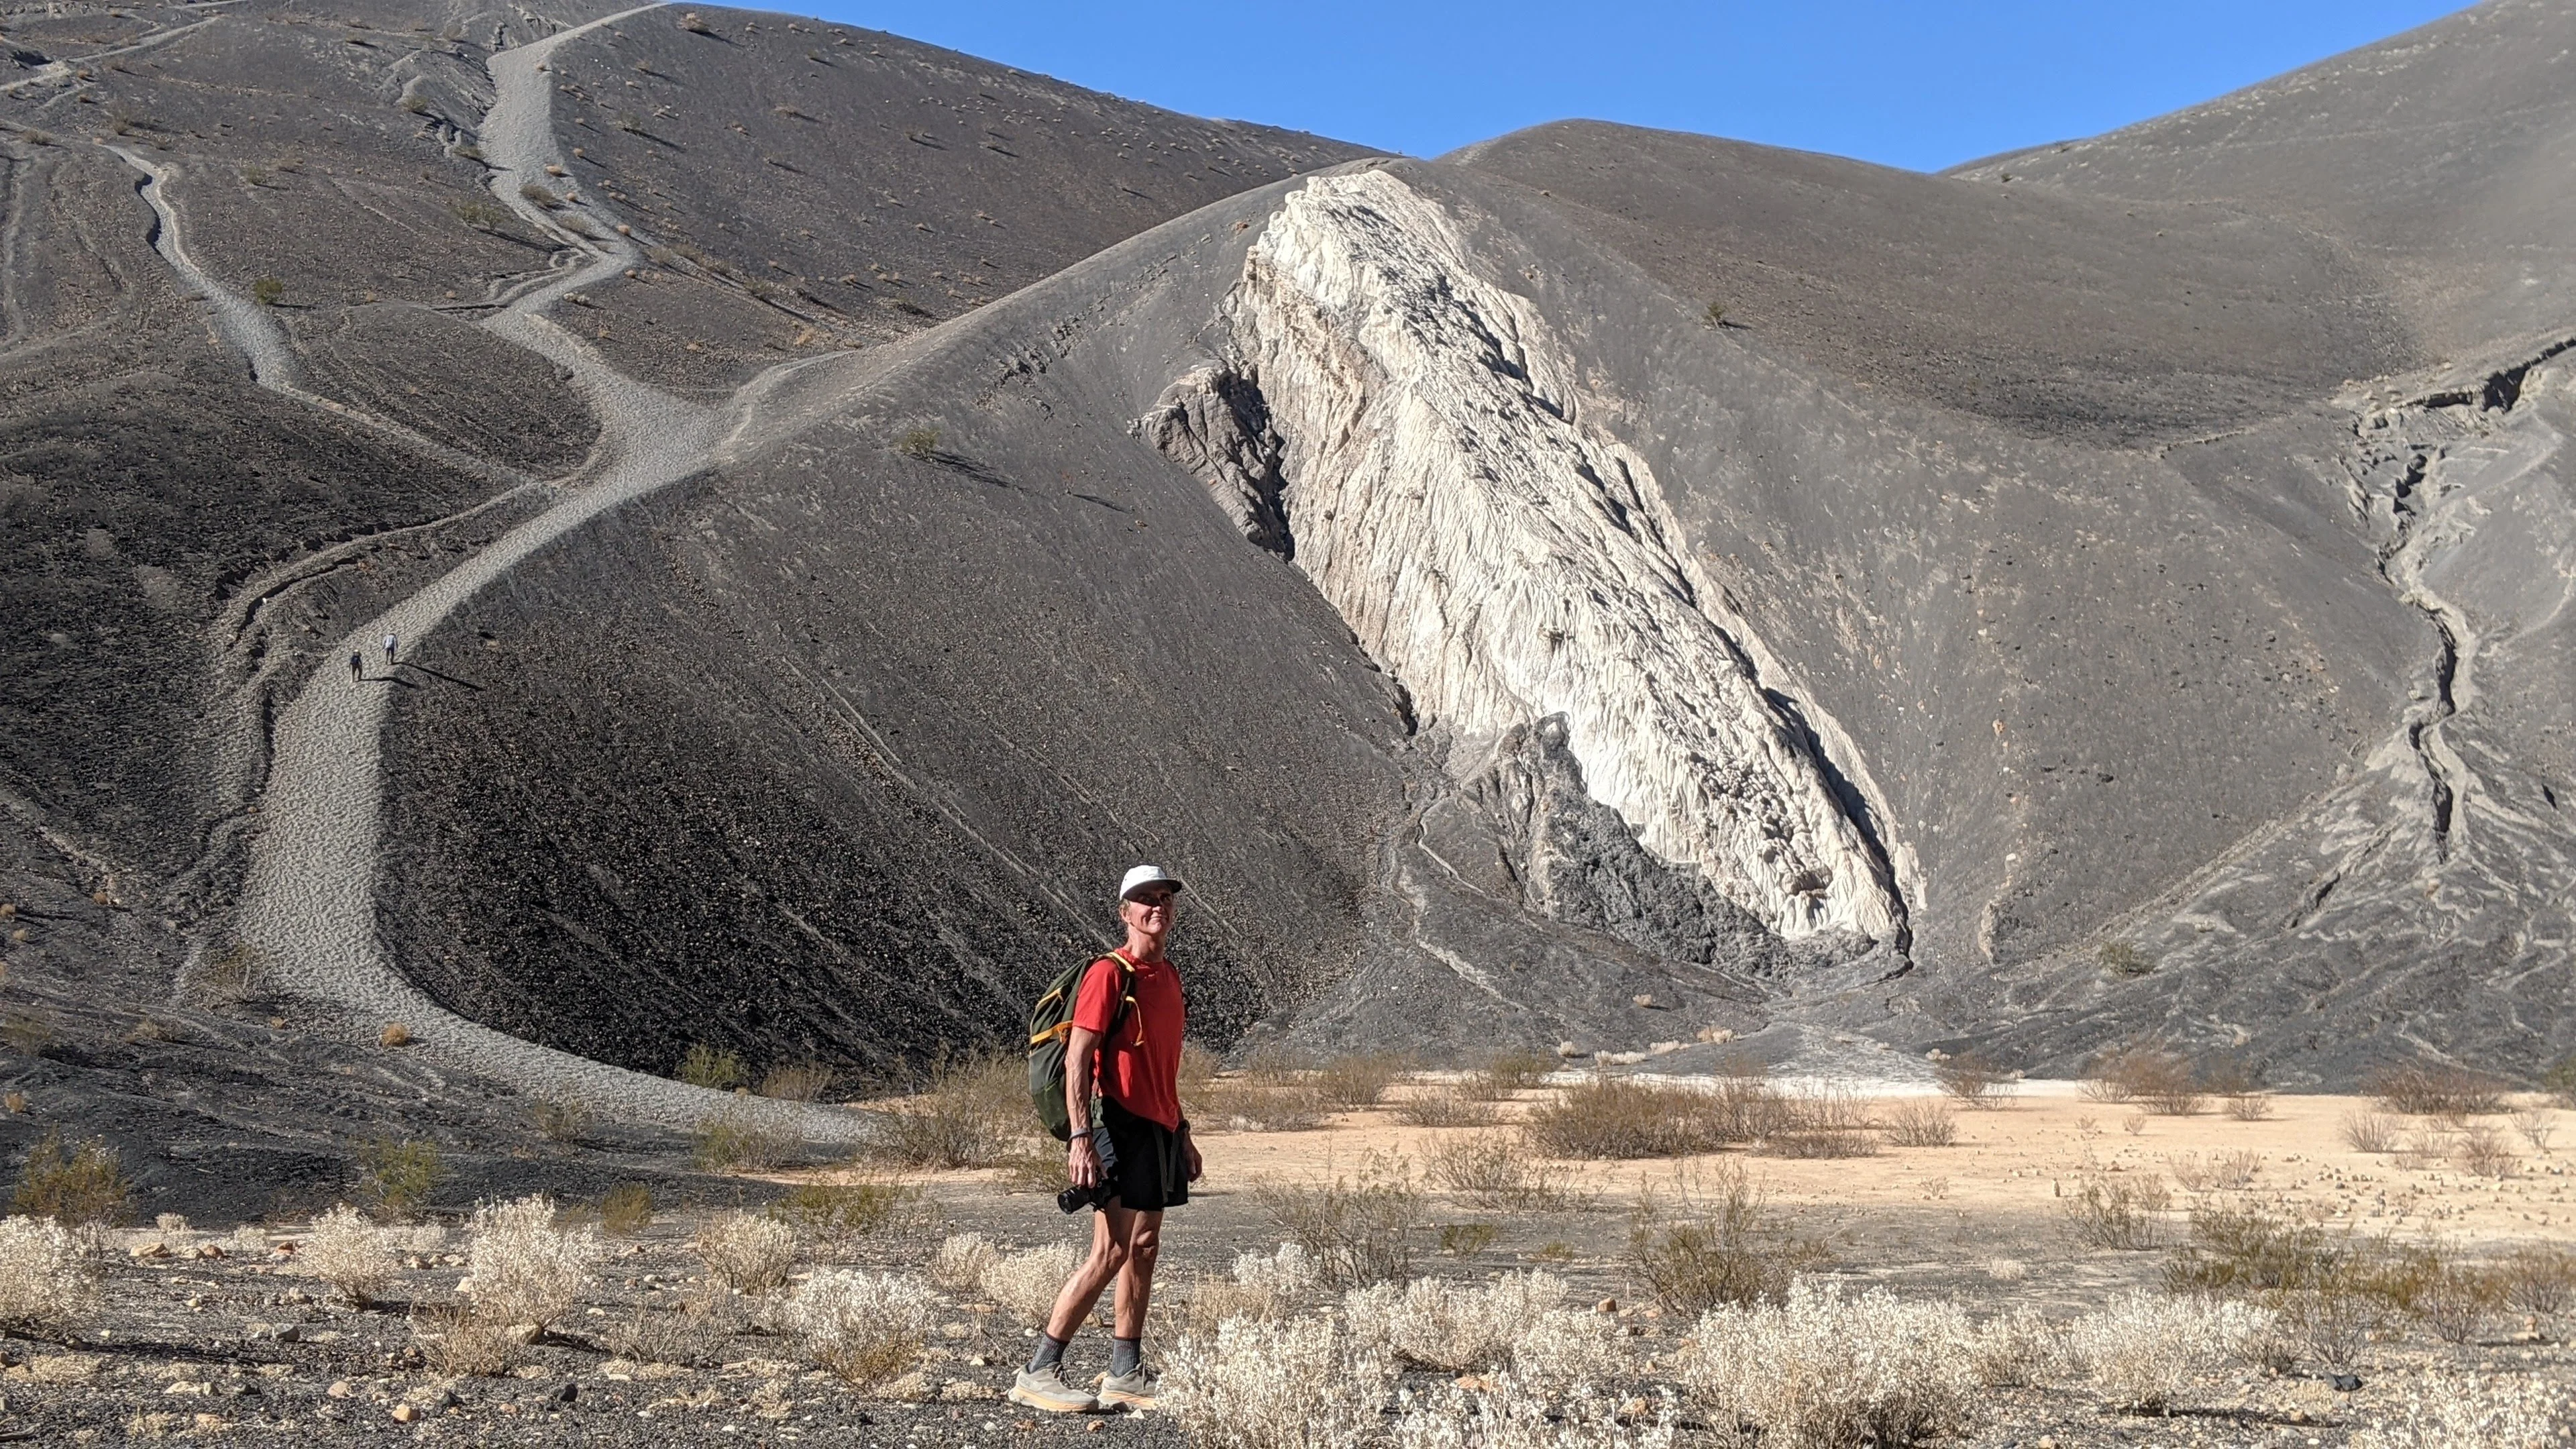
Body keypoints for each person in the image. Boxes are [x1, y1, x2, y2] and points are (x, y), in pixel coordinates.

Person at [1010, 865, 1201, 1414]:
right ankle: (1039, 1370)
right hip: (1114, 1123)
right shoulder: (1108, 974)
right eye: (1144, 899)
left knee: (1144, 1248)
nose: (1156, 907)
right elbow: (1077, 1061)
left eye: (1163, 898)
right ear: (1125, 913)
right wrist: (1080, 1137)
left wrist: (1183, 1132)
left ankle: (1125, 1373)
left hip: (1159, 1128)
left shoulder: (1168, 978)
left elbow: (1162, 1067)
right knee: (1111, 1249)